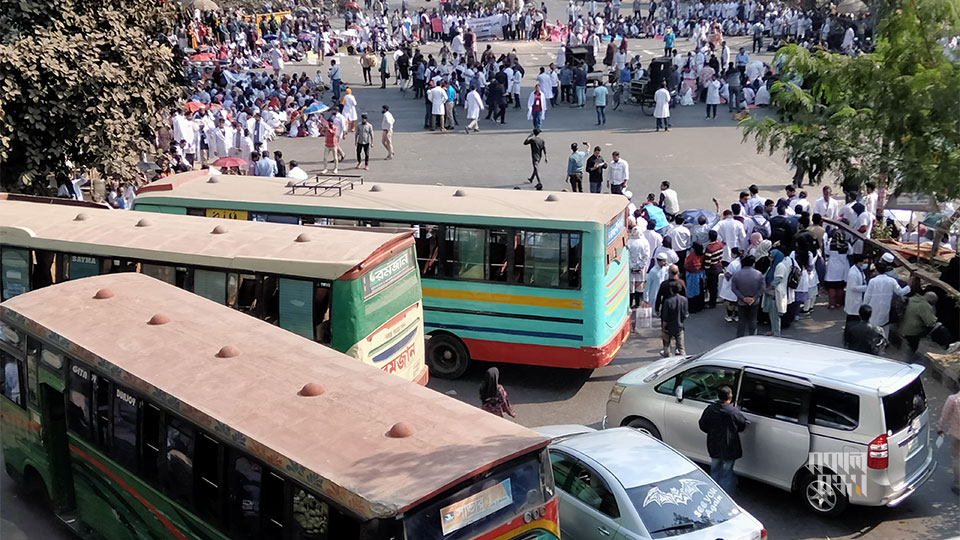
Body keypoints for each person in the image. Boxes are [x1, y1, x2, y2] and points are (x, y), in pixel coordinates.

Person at [698, 386, 748, 495]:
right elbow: (742, 426)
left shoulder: (710, 409)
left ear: (718, 396)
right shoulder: (734, 412)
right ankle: (725, 496)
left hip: (714, 445)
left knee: (714, 470)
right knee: (727, 473)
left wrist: (712, 433)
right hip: (730, 447)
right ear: (730, 397)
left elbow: (702, 425)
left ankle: (712, 493)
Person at [862, 260, 910, 336]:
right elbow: (900, 292)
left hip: (873, 306)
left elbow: (867, 295)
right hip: (885, 307)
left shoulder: (873, 281)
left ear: (876, 270)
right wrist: (908, 287)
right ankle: (883, 340)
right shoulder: (892, 281)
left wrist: (864, 305)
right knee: (883, 325)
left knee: (872, 324)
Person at [731, 255, 764, 337]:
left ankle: (740, 338)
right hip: (754, 301)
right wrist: (754, 298)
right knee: (753, 320)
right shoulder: (759, 274)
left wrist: (743, 298)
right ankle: (752, 337)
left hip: (741, 302)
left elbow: (734, 288)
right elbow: (762, 288)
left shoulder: (737, 275)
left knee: (741, 321)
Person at [937, 389, 960, 496]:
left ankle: (958, 484)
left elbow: (944, 416)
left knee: (956, 458)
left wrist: (940, 428)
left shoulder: (953, 399)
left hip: (956, 434)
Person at [660, 282, 688, 357]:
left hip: (668, 327)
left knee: (666, 344)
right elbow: (686, 314)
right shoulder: (684, 300)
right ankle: (683, 359)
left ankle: (667, 356)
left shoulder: (668, 301)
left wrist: (663, 329)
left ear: (671, 290)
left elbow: (665, 317)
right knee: (681, 347)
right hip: (679, 327)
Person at [628, 226, 651, 308]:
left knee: (631, 288)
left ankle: (630, 304)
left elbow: (628, 256)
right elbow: (647, 256)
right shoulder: (645, 242)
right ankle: (638, 303)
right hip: (641, 269)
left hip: (630, 269)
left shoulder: (629, 242)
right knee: (640, 287)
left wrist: (632, 267)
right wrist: (641, 266)